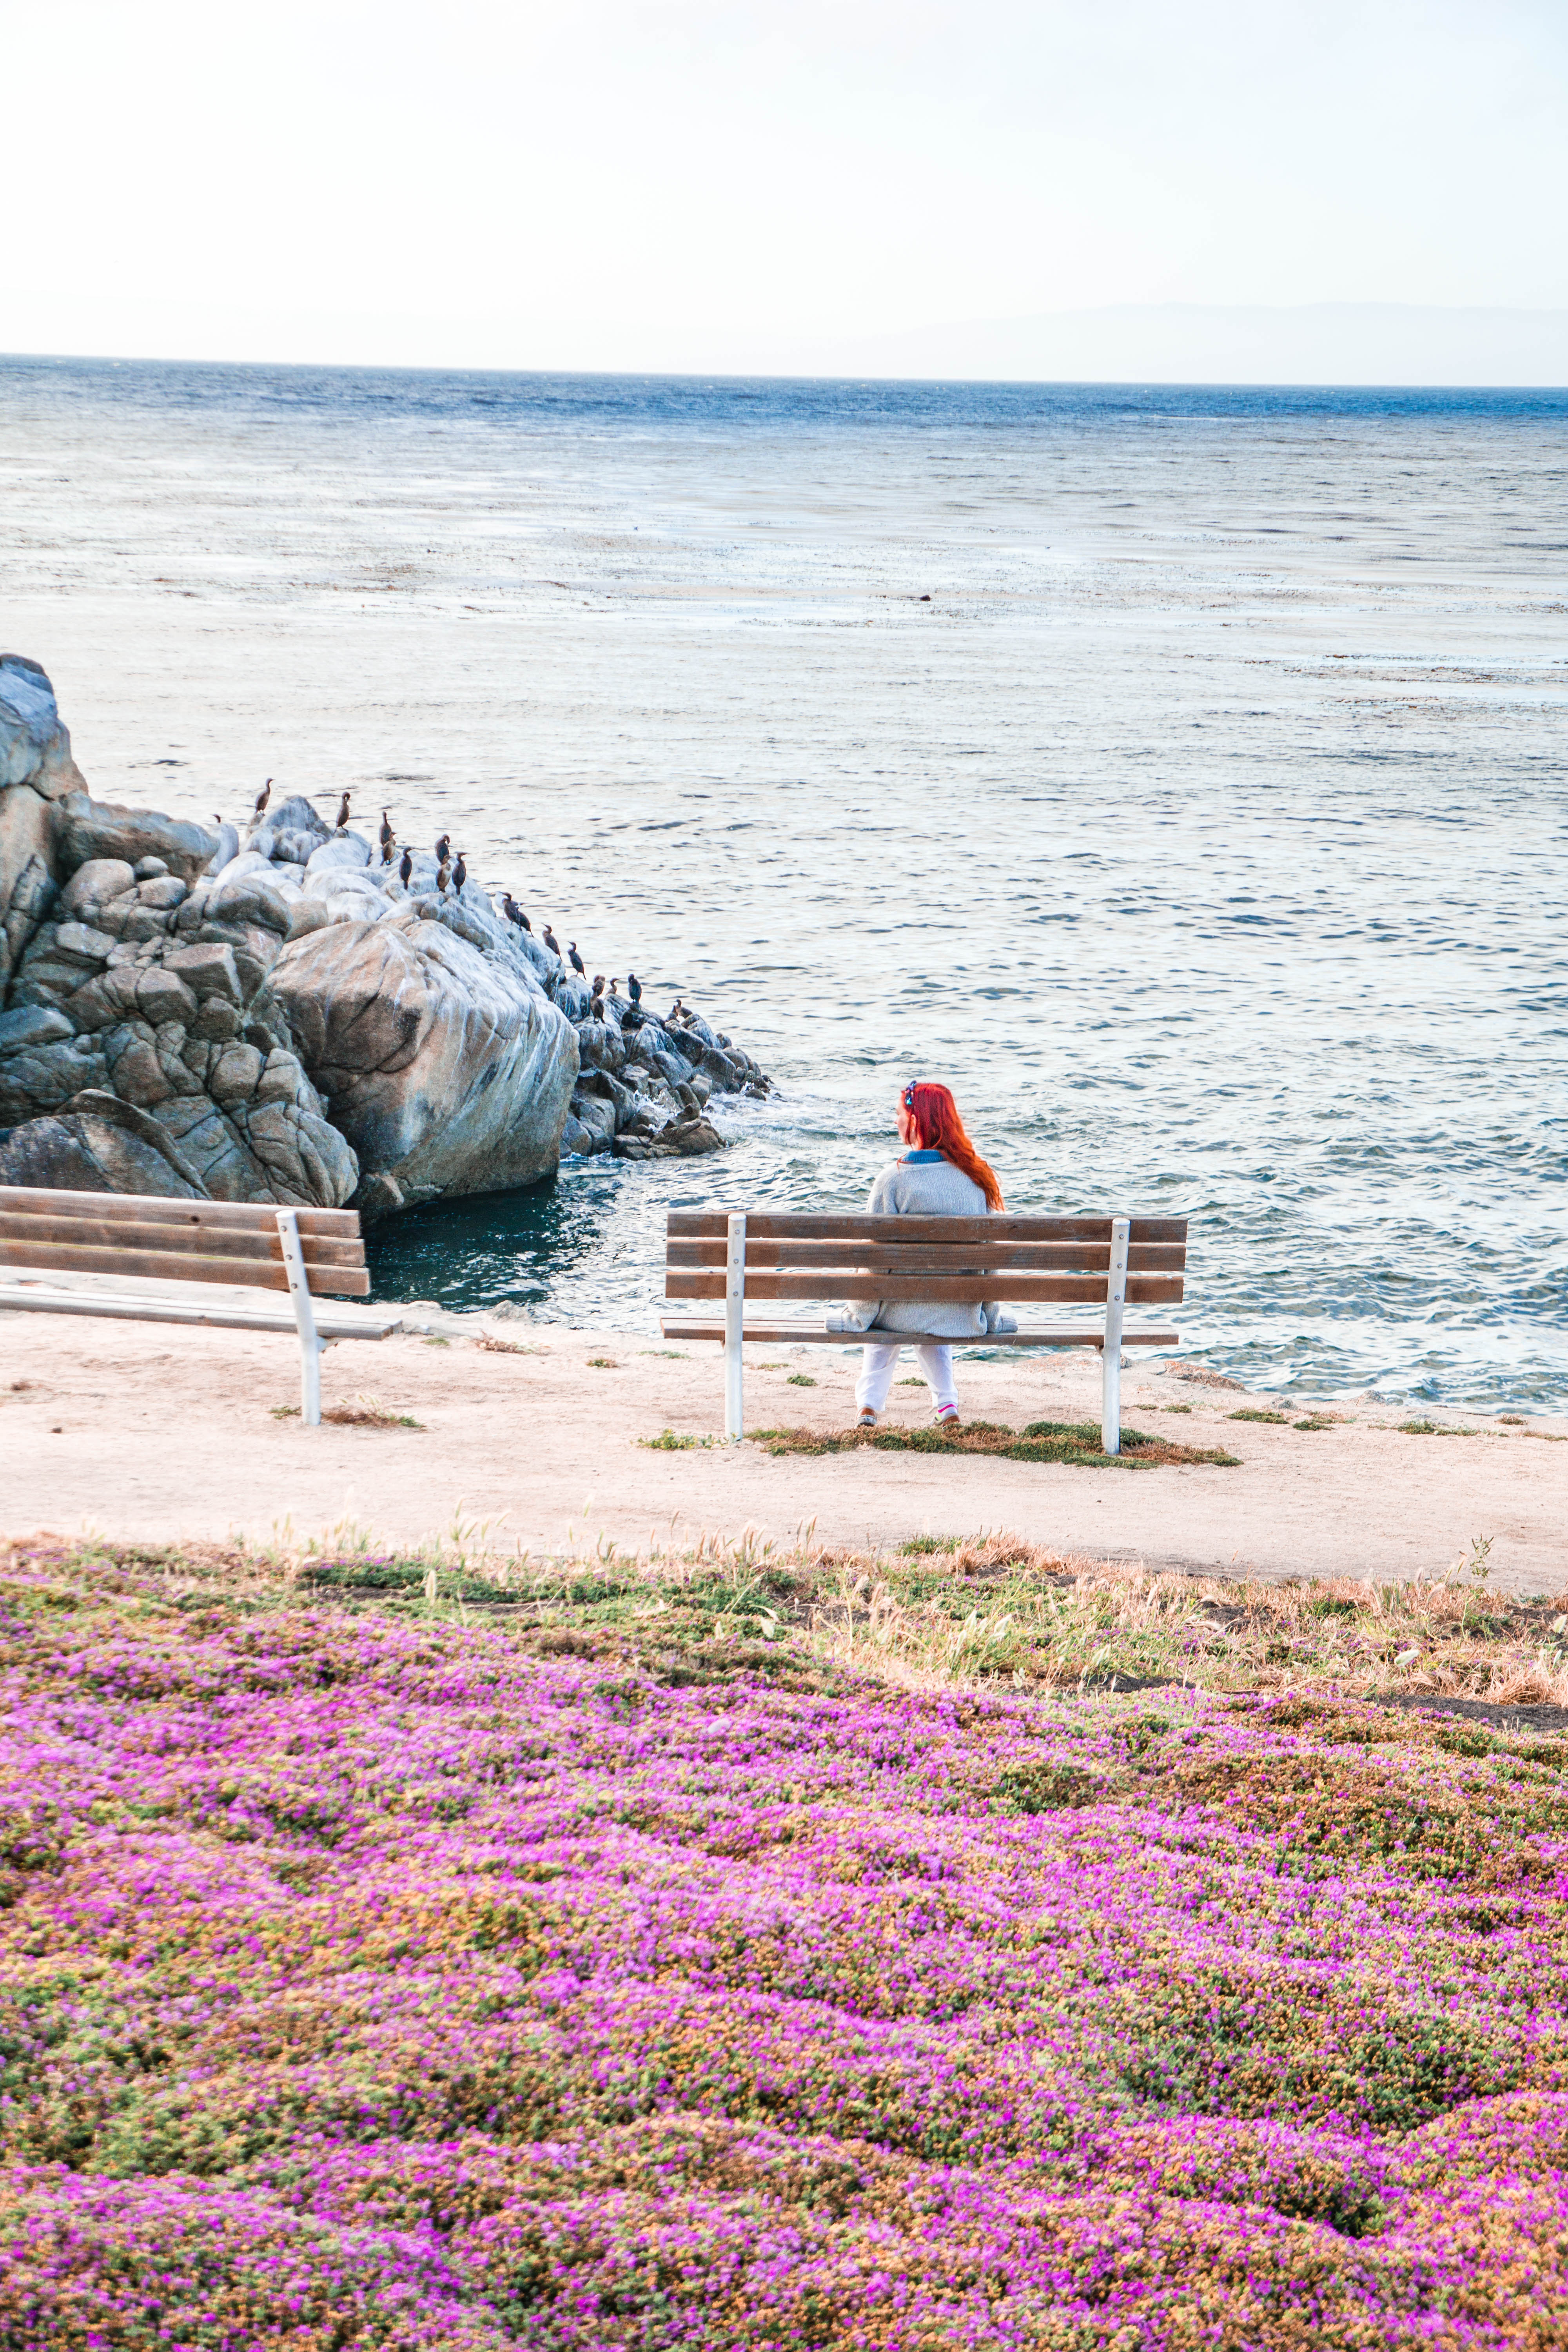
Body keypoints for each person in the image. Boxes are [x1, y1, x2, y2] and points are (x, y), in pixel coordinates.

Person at [829, 1080, 1014, 1429]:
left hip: (900, 1311)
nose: (896, 1122)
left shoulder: (893, 1181)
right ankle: (948, 1407)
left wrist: (858, 1315)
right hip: (956, 1311)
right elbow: (987, 1262)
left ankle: (868, 1407)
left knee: (885, 1309)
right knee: (934, 1305)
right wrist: (991, 1316)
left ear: (916, 1121)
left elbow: (875, 1262)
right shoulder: (978, 1179)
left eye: (899, 1114)